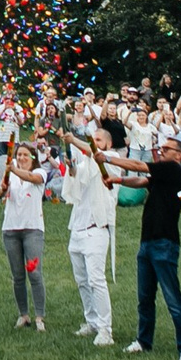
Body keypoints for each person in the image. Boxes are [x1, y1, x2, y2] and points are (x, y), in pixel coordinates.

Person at [93, 132, 181, 360]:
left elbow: (139, 166)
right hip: (147, 242)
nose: (161, 151)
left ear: (179, 155)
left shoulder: (173, 169)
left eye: (166, 149)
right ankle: (143, 340)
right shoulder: (162, 174)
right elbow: (142, 180)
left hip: (164, 243)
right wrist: (118, 180)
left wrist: (107, 159)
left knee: (172, 298)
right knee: (145, 297)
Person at [62, 126, 117, 348]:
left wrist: (74, 140)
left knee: (96, 280)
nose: (94, 143)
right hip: (78, 227)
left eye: (98, 139)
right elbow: (77, 180)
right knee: (82, 280)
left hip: (97, 228)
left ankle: (106, 329)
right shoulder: (86, 163)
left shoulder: (112, 160)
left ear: (108, 144)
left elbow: (95, 155)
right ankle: (91, 320)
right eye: (92, 139)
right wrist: (72, 168)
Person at [0, 142, 48, 331]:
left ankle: (39, 316)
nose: (21, 158)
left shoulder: (40, 173)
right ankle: (23, 314)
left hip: (32, 229)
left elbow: (32, 178)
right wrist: (2, 188)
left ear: (33, 158)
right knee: (18, 275)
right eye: (19, 155)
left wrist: (13, 170)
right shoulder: (10, 174)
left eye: (26, 155)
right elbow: (1, 192)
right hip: (11, 228)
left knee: (34, 273)